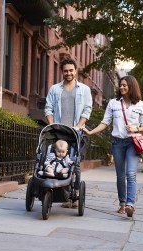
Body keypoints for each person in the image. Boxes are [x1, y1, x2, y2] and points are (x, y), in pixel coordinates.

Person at [82, 75, 143, 217]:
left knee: (130, 173)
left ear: (132, 86)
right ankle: (122, 203)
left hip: (132, 143)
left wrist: (135, 129)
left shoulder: (141, 105)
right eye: (120, 85)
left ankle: (130, 204)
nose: (122, 87)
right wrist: (90, 132)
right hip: (117, 143)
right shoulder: (113, 103)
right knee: (120, 175)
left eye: (125, 85)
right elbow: (105, 122)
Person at [44, 57, 93, 207]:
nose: (68, 73)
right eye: (65, 71)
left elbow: (87, 110)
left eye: (71, 70)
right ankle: (60, 191)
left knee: (74, 164)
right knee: (52, 159)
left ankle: (75, 193)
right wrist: (52, 125)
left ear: (76, 71)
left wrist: (78, 126)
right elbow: (48, 108)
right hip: (58, 132)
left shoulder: (84, 89)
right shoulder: (55, 89)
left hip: (75, 133)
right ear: (62, 72)